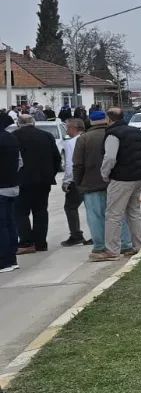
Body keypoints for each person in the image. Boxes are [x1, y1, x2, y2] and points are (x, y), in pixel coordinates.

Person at [76, 110, 132, 261]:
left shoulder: (84, 139)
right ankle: (125, 243)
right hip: (115, 181)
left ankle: (100, 246)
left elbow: (78, 164)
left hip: (91, 183)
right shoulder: (115, 134)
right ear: (106, 120)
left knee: (95, 216)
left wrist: (78, 183)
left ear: (90, 121)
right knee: (117, 214)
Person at [100, 107, 141, 260]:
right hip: (139, 177)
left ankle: (112, 250)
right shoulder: (136, 132)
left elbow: (110, 158)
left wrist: (105, 174)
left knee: (113, 215)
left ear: (109, 119)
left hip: (121, 178)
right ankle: (140, 246)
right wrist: (139, 166)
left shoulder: (113, 134)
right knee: (134, 212)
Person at [13, 114, 61, 254]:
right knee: (40, 211)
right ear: (34, 123)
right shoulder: (46, 136)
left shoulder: (14, 136)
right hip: (43, 180)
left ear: (18, 123)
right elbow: (56, 158)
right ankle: (40, 243)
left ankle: (27, 242)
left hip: (21, 181)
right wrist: (50, 174)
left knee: (21, 212)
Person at [59, 117, 90, 246]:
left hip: (78, 180)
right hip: (94, 179)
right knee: (93, 207)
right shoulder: (90, 138)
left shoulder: (71, 143)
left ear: (73, 128)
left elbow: (71, 164)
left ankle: (76, 234)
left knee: (70, 207)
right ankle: (98, 233)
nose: (67, 130)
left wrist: (66, 181)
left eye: (67, 128)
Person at [0, 112, 21, 273]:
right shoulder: (11, 138)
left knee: (2, 226)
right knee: (10, 223)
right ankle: (12, 258)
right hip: (12, 186)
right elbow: (20, 162)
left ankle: (4, 261)